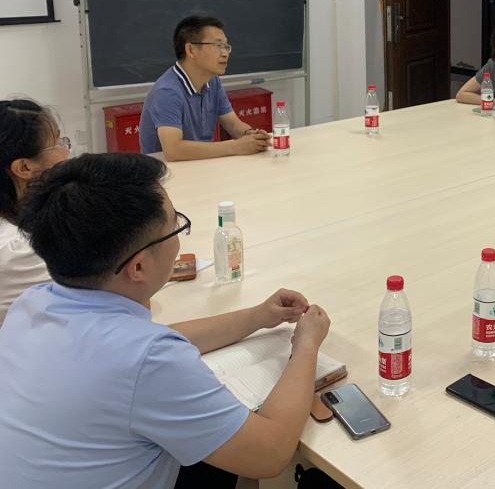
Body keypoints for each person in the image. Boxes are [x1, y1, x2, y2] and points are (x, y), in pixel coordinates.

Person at [0, 152, 333, 489]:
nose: (178, 239)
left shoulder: (32, 303)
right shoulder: (148, 360)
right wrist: (306, 346)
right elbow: (270, 454)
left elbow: (153, 340)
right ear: (138, 266)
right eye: (175, 226)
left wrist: (255, 317)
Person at [139, 15, 272, 160]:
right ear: (191, 50)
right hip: (167, 170)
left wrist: (251, 134)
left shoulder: (213, 81)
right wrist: (235, 146)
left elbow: (232, 123)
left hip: (200, 164)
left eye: (226, 47)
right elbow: (173, 150)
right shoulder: (167, 91)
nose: (225, 53)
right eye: (218, 46)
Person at [0, 99, 71, 325]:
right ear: (24, 167)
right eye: (57, 143)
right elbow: (105, 297)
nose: (66, 152)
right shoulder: (18, 251)